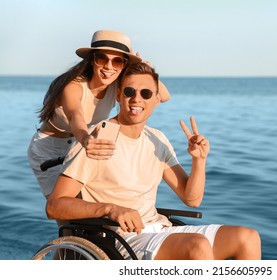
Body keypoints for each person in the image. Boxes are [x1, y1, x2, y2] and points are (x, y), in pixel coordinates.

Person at [46, 62, 261, 260]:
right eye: (129, 92)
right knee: (197, 245)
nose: (137, 99)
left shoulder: (157, 138)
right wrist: (110, 209)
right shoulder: (99, 139)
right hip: (122, 237)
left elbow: (191, 199)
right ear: (119, 95)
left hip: (160, 229)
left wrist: (199, 161)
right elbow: (55, 205)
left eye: (146, 93)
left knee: (248, 238)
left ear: (157, 99)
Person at [27, 30, 171, 199]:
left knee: (92, 202)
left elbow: (164, 97)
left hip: (81, 143)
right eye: (102, 58)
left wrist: (146, 69)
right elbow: (75, 116)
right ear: (92, 60)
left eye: (117, 61)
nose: (109, 67)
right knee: (63, 205)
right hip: (50, 147)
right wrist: (85, 139)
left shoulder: (115, 85)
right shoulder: (73, 86)